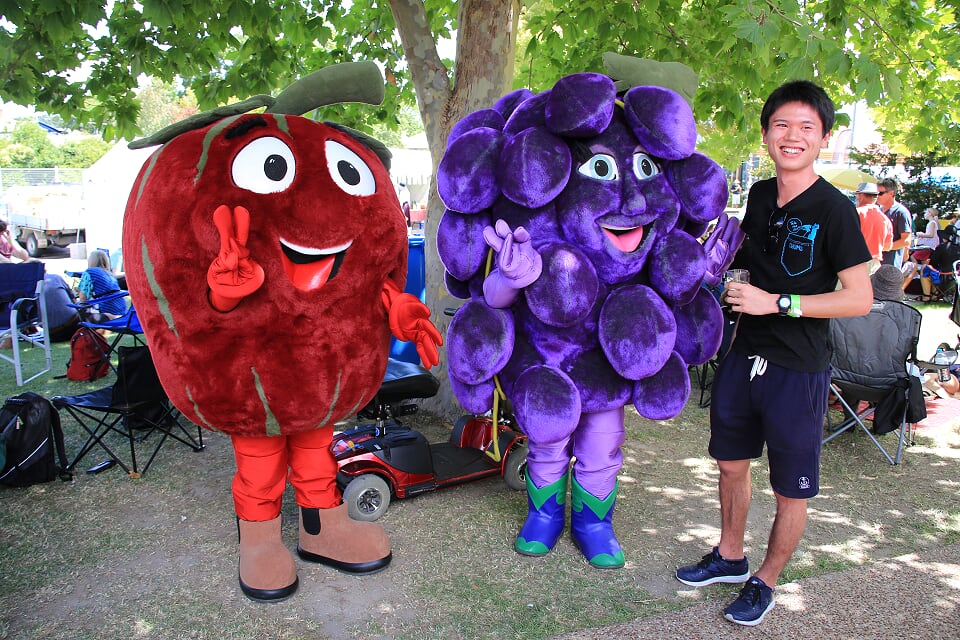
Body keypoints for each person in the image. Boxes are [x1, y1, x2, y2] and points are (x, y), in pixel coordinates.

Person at [675, 80, 872, 627]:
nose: (793, 136)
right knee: (730, 465)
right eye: (782, 125)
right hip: (743, 356)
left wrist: (778, 302)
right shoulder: (760, 195)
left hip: (797, 368)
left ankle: (766, 579)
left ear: (824, 139)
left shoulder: (835, 211)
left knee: (790, 486)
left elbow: (859, 299)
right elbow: (746, 264)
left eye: (807, 127)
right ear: (766, 135)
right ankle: (731, 556)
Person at [853, 182, 892, 274]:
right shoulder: (885, 219)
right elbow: (887, 246)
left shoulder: (855, 213)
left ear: (861, 196)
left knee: (843, 288)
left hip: (854, 262)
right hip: (874, 264)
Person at [75, 249, 127, 319]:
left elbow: (83, 298)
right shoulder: (110, 275)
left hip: (106, 312)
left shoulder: (90, 272)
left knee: (77, 311)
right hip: (122, 311)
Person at [877, 178, 912, 268]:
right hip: (876, 263)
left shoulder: (901, 212)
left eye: (880, 193)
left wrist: (884, 247)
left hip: (891, 265)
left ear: (891, 193)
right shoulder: (878, 211)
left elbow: (906, 240)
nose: (877, 196)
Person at [41, 273, 81, 341]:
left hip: (53, 333)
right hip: (75, 325)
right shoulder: (55, 277)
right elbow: (74, 301)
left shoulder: (27, 287)